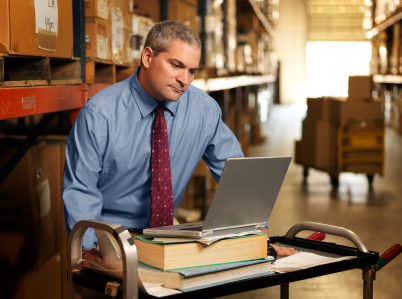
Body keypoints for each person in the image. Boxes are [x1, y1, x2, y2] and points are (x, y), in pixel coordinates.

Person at [62, 21, 296, 257]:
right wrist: (89, 252)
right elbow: (80, 189)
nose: (184, 79)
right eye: (176, 65)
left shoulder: (203, 108)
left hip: (167, 233)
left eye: (192, 71)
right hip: (110, 235)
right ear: (147, 57)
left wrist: (253, 234)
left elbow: (236, 172)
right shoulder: (100, 114)